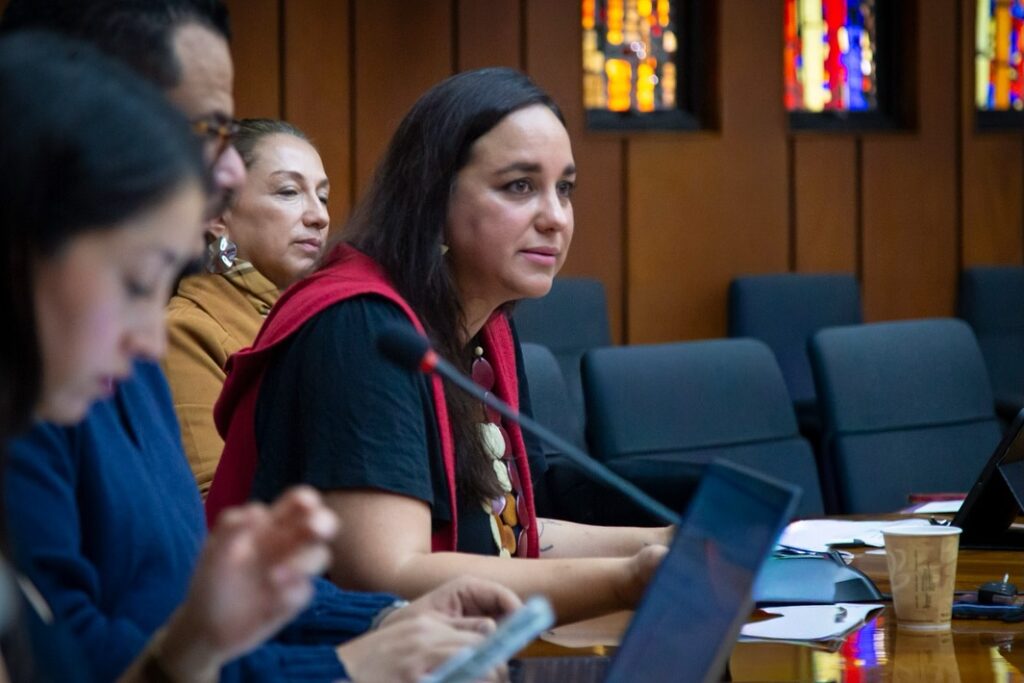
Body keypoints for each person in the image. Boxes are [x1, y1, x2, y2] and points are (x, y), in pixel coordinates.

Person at [0, 4, 520, 682]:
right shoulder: (55, 383)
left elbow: (185, 605)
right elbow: (86, 660)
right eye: (209, 131)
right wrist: (349, 665)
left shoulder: (106, 354)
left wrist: (379, 618)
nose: (226, 171)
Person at [207, 67, 671, 625]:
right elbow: (387, 573)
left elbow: (508, 536)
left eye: (564, 188)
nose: (555, 218)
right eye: (520, 186)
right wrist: (627, 581)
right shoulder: (363, 328)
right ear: (433, 197)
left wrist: (671, 543)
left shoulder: (482, 328)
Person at [163, 119, 330, 494]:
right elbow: (215, 504)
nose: (319, 216)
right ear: (217, 215)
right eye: (289, 192)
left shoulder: (325, 321)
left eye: (323, 196)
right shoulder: (185, 330)